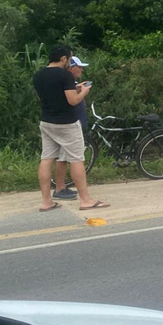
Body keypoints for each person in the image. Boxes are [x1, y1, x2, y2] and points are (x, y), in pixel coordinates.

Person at [33, 44, 108, 212]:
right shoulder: (64, 75)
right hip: (66, 123)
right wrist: (83, 92)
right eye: (69, 58)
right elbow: (73, 101)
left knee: (46, 159)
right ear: (63, 58)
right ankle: (86, 200)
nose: (69, 63)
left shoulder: (38, 75)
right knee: (76, 159)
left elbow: (46, 96)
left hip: (46, 122)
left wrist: (74, 88)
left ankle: (47, 202)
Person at [51, 55, 89, 200]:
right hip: (69, 124)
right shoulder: (66, 82)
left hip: (72, 123)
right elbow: (71, 102)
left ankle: (61, 187)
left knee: (64, 157)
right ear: (71, 67)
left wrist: (78, 89)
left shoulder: (71, 83)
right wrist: (82, 92)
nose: (81, 70)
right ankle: (60, 188)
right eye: (79, 67)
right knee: (63, 158)